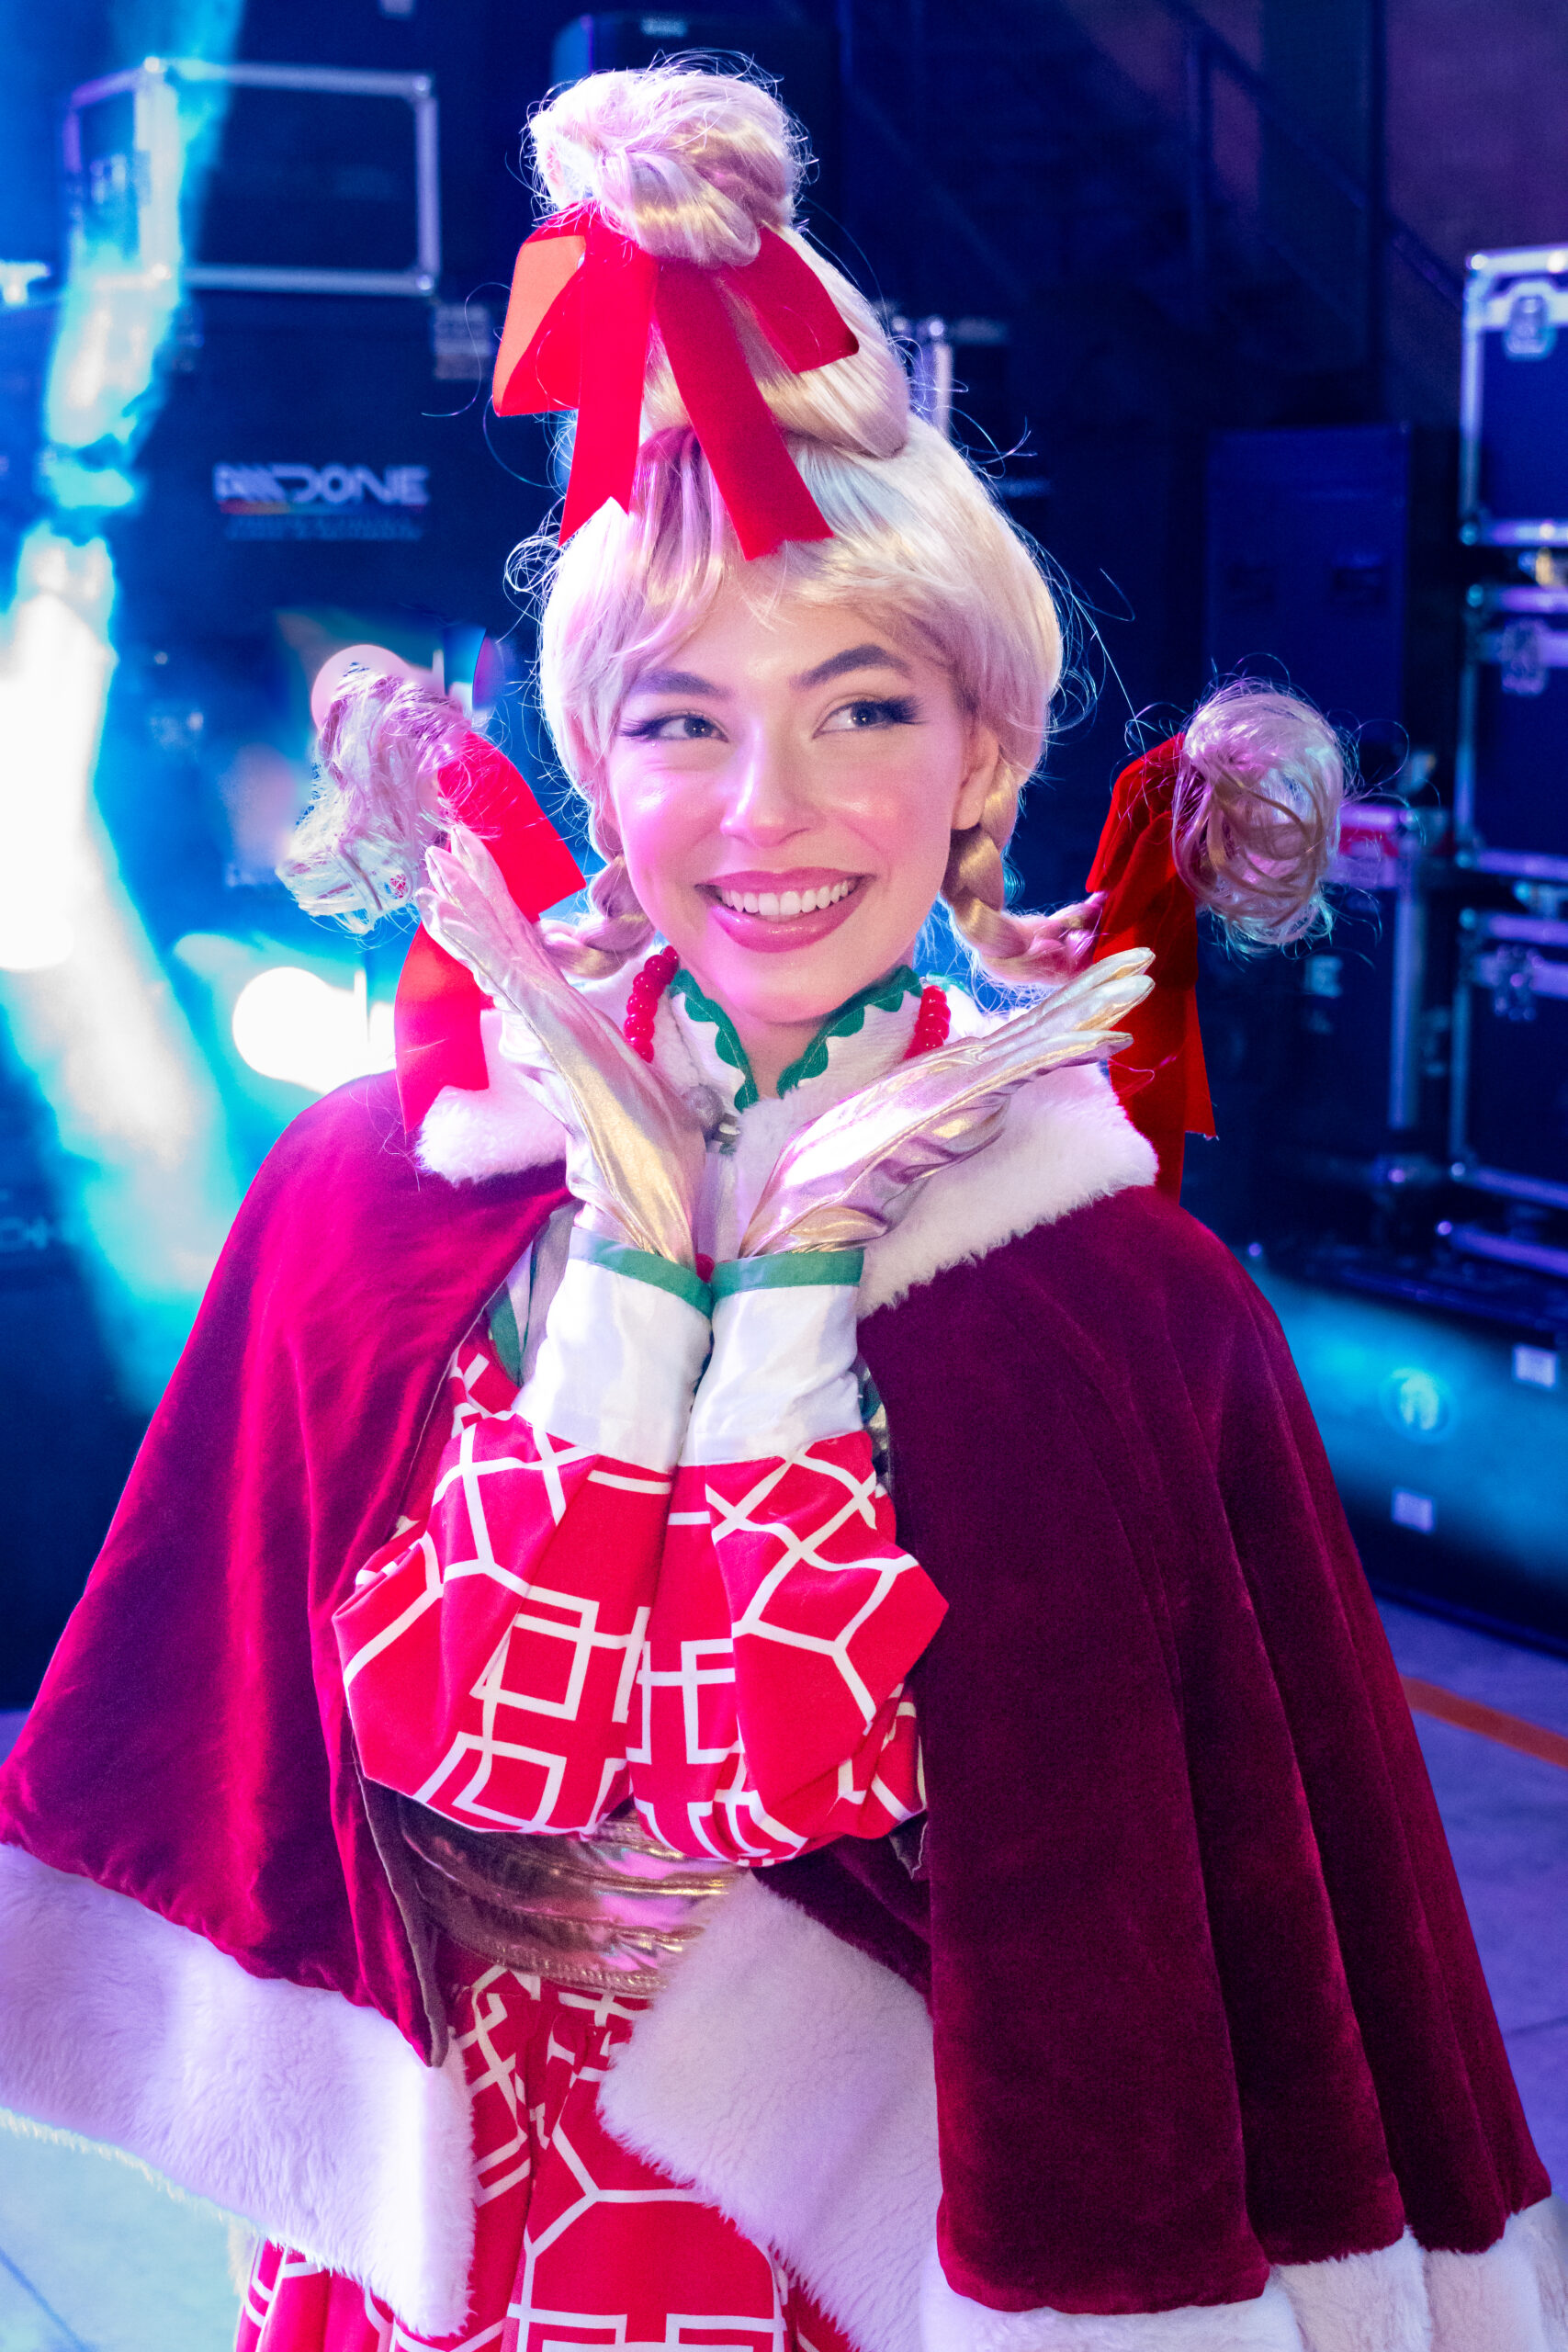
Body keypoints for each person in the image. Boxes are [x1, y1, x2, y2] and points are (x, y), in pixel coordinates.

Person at [0, 62, 1563, 2352]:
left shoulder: (1120, 1293)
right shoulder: (376, 1193)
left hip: (910, 2246)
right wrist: (382, 1802)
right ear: (588, 755)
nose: (768, 809)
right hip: (457, 2213)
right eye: (678, 721)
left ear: (982, 757)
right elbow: (260, 1711)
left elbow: (1222, 1881)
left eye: (860, 709)